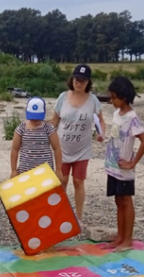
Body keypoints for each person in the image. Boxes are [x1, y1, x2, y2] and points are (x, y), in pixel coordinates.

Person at [51, 64, 105, 222]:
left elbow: (100, 121)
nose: (79, 83)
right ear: (72, 79)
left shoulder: (93, 100)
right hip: (62, 148)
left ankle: (78, 216)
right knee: (62, 181)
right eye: (76, 79)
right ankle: (59, 214)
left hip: (83, 149)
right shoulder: (62, 97)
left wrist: (101, 133)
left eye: (83, 80)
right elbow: (54, 120)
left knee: (78, 181)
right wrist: (43, 133)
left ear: (88, 82)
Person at [104, 76, 144, 252]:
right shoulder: (116, 114)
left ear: (124, 97)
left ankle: (127, 240)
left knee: (126, 201)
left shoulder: (132, 117)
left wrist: (132, 162)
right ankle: (120, 237)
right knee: (118, 201)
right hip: (113, 166)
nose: (112, 100)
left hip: (124, 169)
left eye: (114, 97)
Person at [10, 97, 63, 178]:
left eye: (37, 117)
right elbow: (14, 149)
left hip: (46, 172)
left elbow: (57, 148)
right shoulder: (21, 128)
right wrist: (13, 170)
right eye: (32, 116)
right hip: (25, 172)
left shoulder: (48, 128)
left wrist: (58, 169)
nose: (35, 119)